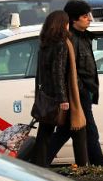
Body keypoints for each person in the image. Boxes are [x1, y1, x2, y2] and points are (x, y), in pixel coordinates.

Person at [47, 0, 103, 166]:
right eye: (85, 16)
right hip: (78, 94)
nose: (90, 19)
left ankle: (39, 162)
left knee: (65, 131)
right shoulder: (69, 40)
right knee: (90, 131)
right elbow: (65, 71)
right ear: (73, 19)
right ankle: (99, 165)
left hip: (81, 93)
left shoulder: (83, 37)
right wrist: (78, 92)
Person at [31, 10, 88, 168]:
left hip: (48, 95)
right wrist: (63, 99)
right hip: (62, 97)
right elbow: (58, 72)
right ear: (63, 24)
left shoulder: (45, 43)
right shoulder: (62, 43)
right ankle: (83, 168)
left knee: (45, 133)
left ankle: (39, 166)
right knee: (79, 128)